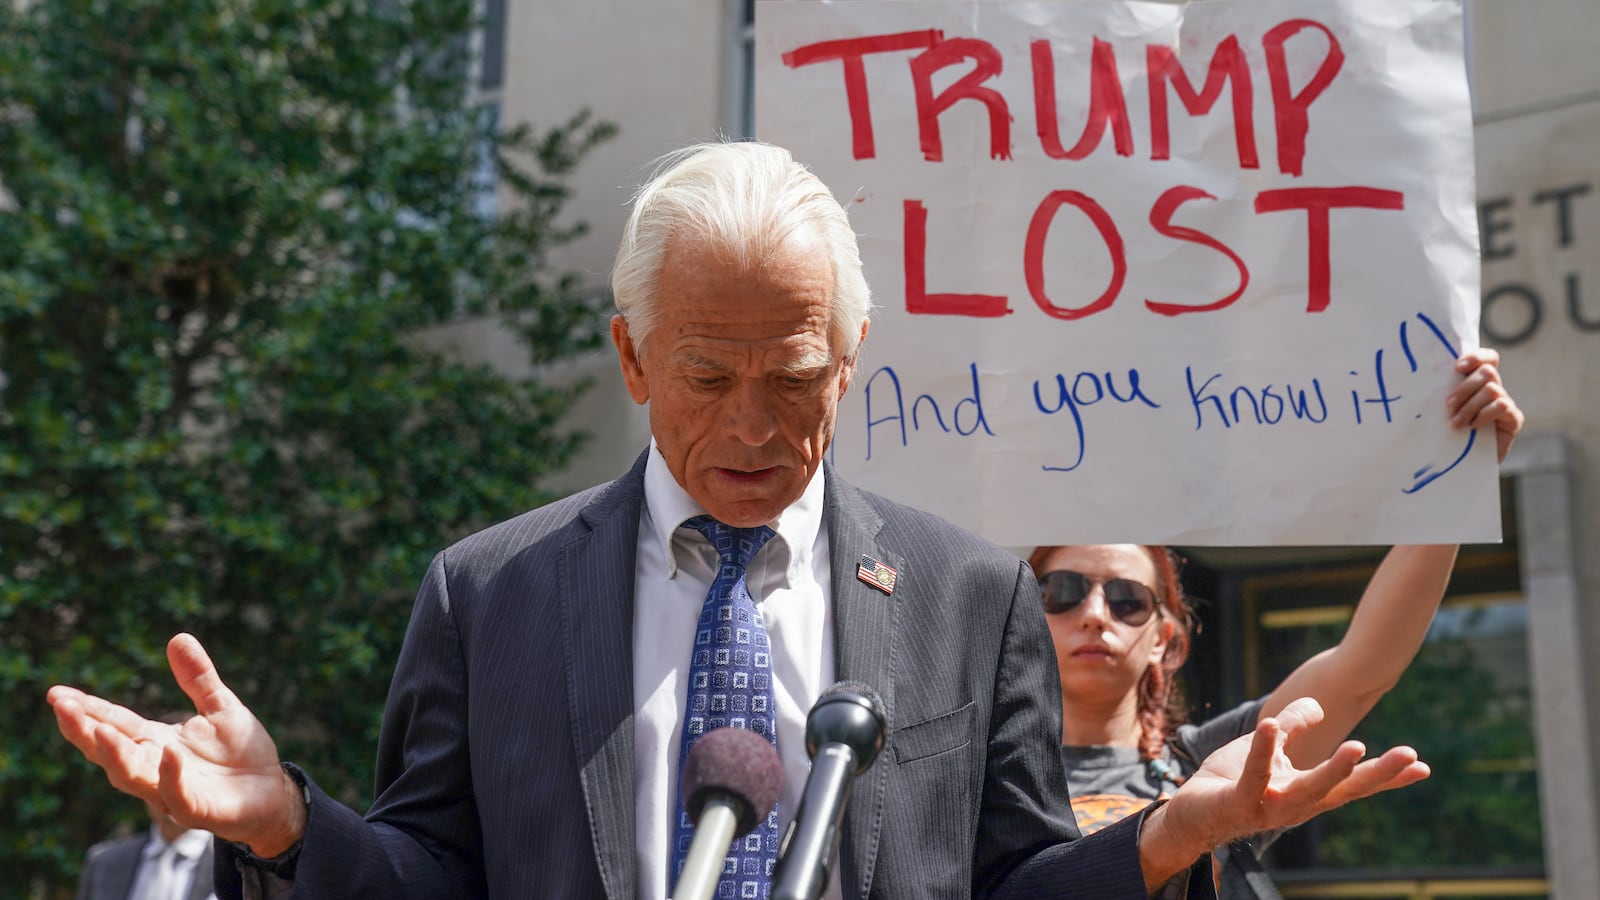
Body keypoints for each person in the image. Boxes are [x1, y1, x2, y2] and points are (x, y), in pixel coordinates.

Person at [47, 140, 1430, 900]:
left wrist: (1162, 843)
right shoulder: (490, 596)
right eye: (709, 378)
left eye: (800, 375)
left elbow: (1014, 890)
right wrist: (291, 827)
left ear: (857, 351)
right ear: (636, 360)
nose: (757, 428)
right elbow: (429, 881)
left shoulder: (967, 595)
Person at [1029, 352, 1523, 898]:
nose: (1095, 615)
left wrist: (1455, 488)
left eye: (1126, 600)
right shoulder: (980, 778)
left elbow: (1362, 669)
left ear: (1162, 638)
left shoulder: (1215, 760)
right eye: (1062, 593)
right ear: (1024, 617)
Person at [75, 714, 218, 900]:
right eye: (163, 772)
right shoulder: (103, 863)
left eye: (187, 773)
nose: (175, 789)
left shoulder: (242, 871)